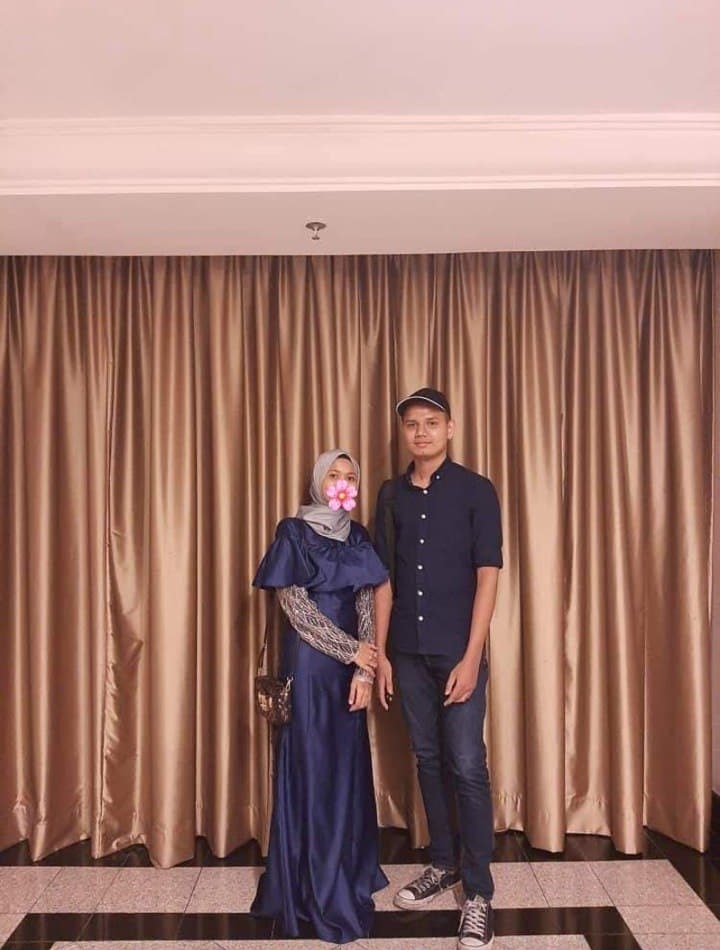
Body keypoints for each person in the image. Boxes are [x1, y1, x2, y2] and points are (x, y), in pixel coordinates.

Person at [373, 388, 502, 950]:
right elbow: (383, 580)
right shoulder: (390, 494)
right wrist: (379, 653)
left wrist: (472, 657)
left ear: (449, 428)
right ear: (403, 433)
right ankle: (444, 863)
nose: (420, 432)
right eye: (411, 424)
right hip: (406, 650)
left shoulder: (477, 490)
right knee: (427, 758)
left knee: (467, 763)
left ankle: (479, 893)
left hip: (457, 651)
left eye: (431, 422)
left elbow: (488, 575)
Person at [251, 449, 389, 944]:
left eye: (350, 476)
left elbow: (366, 599)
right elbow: (294, 606)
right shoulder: (293, 530)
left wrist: (365, 669)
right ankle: (310, 883)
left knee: (345, 767)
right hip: (310, 666)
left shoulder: (359, 535)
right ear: (317, 480)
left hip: (350, 669)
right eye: (334, 474)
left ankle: (345, 870)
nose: (342, 482)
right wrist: (351, 650)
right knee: (312, 766)